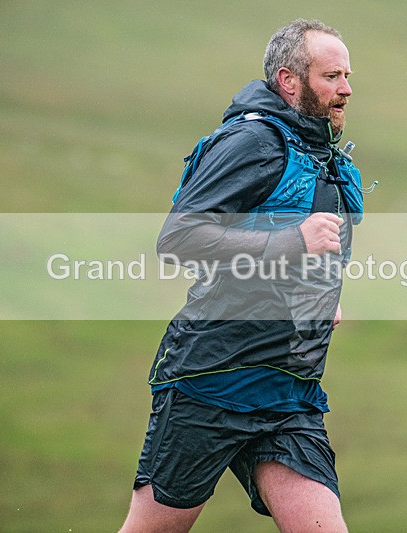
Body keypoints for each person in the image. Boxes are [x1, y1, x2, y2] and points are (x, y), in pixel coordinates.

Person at [120, 18, 365, 533]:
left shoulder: (322, 158)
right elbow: (179, 238)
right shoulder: (251, 142)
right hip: (211, 383)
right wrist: (293, 241)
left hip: (289, 394)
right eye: (331, 76)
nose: (346, 89)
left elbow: (298, 254)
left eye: (347, 76)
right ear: (289, 81)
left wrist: (321, 296)